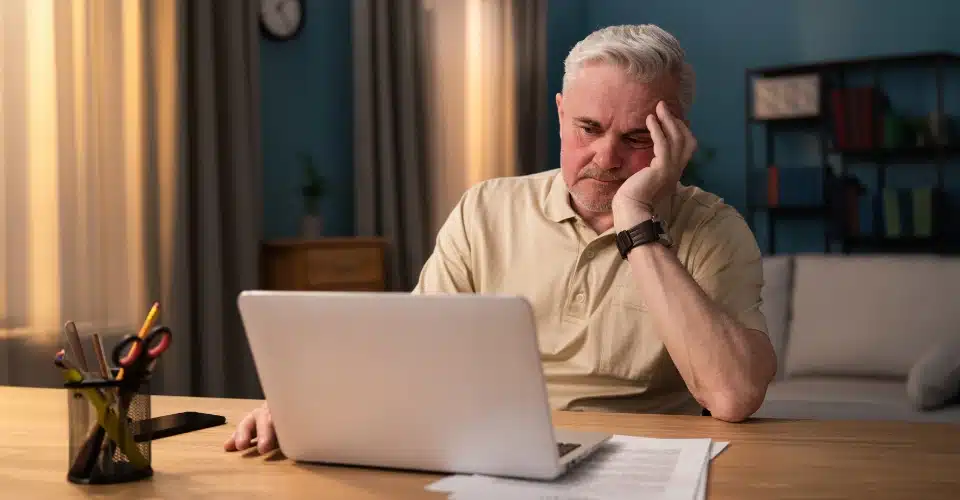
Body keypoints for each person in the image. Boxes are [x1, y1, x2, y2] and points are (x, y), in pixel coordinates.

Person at [225, 24, 777, 455]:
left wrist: (638, 220)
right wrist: (311, 406)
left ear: (674, 138)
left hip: (642, 460)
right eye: (588, 129)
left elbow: (731, 396)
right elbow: (413, 352)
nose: (606, 160)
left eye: (636, 138)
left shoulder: (713, 229)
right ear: (561, 115)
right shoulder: (485, 209)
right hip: (491, 450)